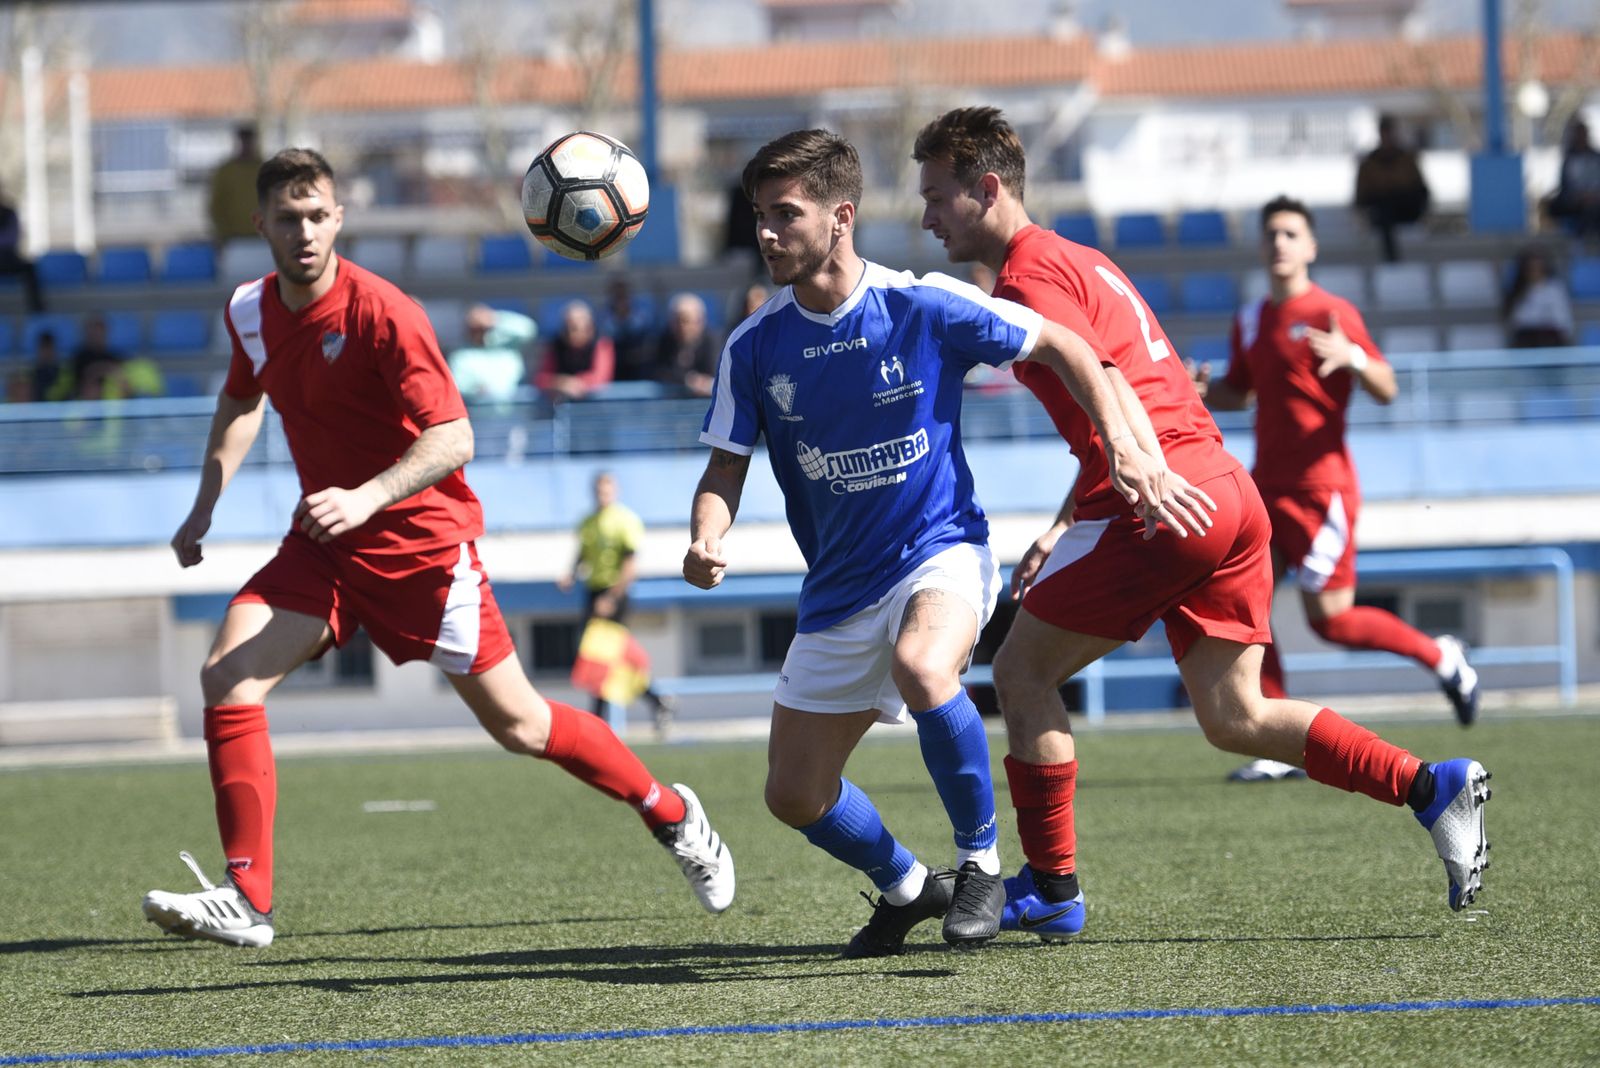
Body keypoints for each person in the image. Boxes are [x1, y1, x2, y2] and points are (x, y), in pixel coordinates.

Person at [913, 106, 1491, 940]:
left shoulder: (1027, 282)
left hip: (1166, 503)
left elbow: (1106, 382)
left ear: (989, 188)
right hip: (1227, 492)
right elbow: (1134, 395)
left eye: (938, 197)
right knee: (1236, 718)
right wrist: (1064, 521)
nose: (928, 216)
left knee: (1022, 674)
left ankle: (1051, 887)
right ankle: (1431, 785)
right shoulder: (1079, 259)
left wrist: (1132, 473)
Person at [141, 148, 733, 950]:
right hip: (323, 548)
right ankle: (249, 899)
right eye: (288, 218)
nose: (305, 232)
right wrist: (203, 504)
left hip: (422, 550)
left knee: (523, 727)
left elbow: (455, 436)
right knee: (228, 677)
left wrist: (368, 496)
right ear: (262, 226)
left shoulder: (385, 312)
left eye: (318, 215)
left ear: (340, 217)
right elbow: (242, 397)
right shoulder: (248, 309)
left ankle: (671, 812)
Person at [685, 128, 1179, 957]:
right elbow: (724, 469)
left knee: (925, 665)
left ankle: (982, 861)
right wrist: (706, 537)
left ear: (841, 217)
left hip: (941, 549)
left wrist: (1123, 443)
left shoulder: (923, 303)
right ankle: (911, 887)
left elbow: (1061, 342)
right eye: (759, 218)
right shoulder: (753, 347)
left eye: (785, 215)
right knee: (793, 795)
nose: (766, 234)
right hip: (840, 587)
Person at [1195, 195, 1480, 779]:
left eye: (1291, 233)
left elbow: (1388, 388)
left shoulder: (1332, 311)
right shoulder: (1250, 319)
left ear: (1310, 247)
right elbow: (1239, 392)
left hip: (1322, 491)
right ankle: (1271, 742)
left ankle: (1441, 655)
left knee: (1332, 620)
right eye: (1271, 232)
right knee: (1248, 605)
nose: (1279, 242)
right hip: (1263, 488)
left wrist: (1352, 356)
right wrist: (1205, 389)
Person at [558, 471, 675, 733]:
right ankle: (656, 700)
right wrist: (571, 573)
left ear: (616, 491)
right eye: (600, 490)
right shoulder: (587, 522)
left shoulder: (625, 520)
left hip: (614, 595)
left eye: (608, 490)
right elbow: (582, 553)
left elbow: (630, 565)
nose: (604, 495)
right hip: (593, 592)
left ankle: (598, 722)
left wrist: (611, 598)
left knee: (602, 657)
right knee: (600, 658)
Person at [1353, 114, 1430, 262]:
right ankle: (1392, 260)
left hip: (1406, 208)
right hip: (1381, 212)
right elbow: (1361, 195)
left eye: (1389, 132)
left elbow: (1420, 189)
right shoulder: (1369, 164)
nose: (1387, 137)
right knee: (1384, 212)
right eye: (1384, 132)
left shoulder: (1407, 160)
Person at [447, 303, 536, 404]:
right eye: (475, 329)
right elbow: (458, 386)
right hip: (481, 412)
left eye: (483, 328)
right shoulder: (460, 355)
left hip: (515, 409)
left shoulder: (507, 345)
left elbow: (529, 329)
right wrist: (475, 390)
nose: (480, 331)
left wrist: (496, 318)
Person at [533, 300, 614, 401]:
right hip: (562, 409)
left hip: (597, 407)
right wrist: (561, 383)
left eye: (575, 328)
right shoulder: (556, 345)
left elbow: (600, 378)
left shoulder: (602, 344)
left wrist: (575, 383)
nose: (570, 333)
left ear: (590, 328)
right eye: (567, 328)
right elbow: (541, 379)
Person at [1501, 247, 1575, 349]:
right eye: (1531, 269)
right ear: (1524, 270)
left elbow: (1563, 320)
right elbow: (1516, 321)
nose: (1535, 272)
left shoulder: (1555, 289)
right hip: (1526, 341)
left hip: (1551, 341)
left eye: (1538, 269)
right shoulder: (1517, 291)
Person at [654, 292, 719, 397]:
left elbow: (714, 373)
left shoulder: (713, 341)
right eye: (676, 321)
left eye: (686, 320)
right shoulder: (664, 340)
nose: (681, 326)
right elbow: (659, 372)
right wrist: (688, 379)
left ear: (700, 321)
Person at [209, 124, 264, 245]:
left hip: (261, 239)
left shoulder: (264, 170)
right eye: (243, 141)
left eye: (249, 141)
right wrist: (223, 233)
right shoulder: (226, 172)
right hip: (233, 238)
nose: (246, 146)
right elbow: (216, 205)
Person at [1547, 120, 1600, 243]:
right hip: (1575, 200)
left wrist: (1593, 195)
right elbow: (1565, 185)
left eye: (1583, 134)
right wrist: (1578, 196)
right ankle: (1579, 240)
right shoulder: (1569, 159)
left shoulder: (1596, 157)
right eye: (1578, 134)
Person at [603, 276, 659, 383]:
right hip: (614, 367)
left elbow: (650, 346)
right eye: (618, 296)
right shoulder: (603, 319)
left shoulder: (644, 318)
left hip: (640, 367)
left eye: (624, 295)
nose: (621, 300)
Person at [0, 185, 45, 313]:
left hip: (7, 257)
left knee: (29, 267)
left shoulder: (9, 213)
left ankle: (37, 310)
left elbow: (12, 237)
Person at [69, 314, 127, 400]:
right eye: (94, 331)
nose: (97, 335)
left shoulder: (114, 356)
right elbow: (80, 384)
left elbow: (122, 380)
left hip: (112, 400)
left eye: (100, 331)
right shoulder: (80, 357)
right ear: (88, 333)